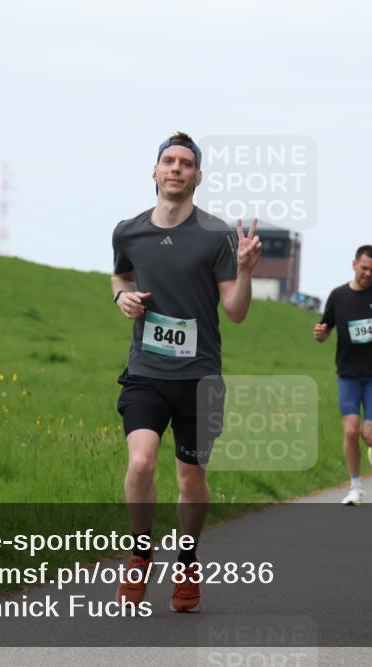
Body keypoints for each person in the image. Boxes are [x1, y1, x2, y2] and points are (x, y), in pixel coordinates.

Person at [111, 132, 262, 613]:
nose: (176, 168)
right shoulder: (128, 231)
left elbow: (235, 313)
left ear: (197, 176)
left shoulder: (216, 236)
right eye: (168, 161)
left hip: (200, 380)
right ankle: (139, 554)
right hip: (146, 373)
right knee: (140, 464)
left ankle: (188, 559)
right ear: (154, 172)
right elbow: (121, 274)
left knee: (191, 479)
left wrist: (244, 272)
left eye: (185, 163)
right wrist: (122, 297)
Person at [316, 245, 372, 506]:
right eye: (364, 268)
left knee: (369, 435)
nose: (368, 273)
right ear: (354, 264)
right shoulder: (338, 296)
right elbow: (325, 329)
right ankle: (356, 487)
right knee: (350, 431)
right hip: (348, 373)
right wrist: (321, 334)